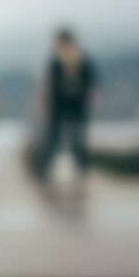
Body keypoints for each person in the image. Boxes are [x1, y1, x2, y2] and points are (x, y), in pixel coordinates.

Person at [39, 28, 96, 179]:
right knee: (54, 140)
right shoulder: (56, 63)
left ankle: (81, 170)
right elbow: (48, 87)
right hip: (59, 107)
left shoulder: (81, 62)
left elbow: (90, 84)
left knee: (77, 140)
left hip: (76, 107)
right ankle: (45, 171)